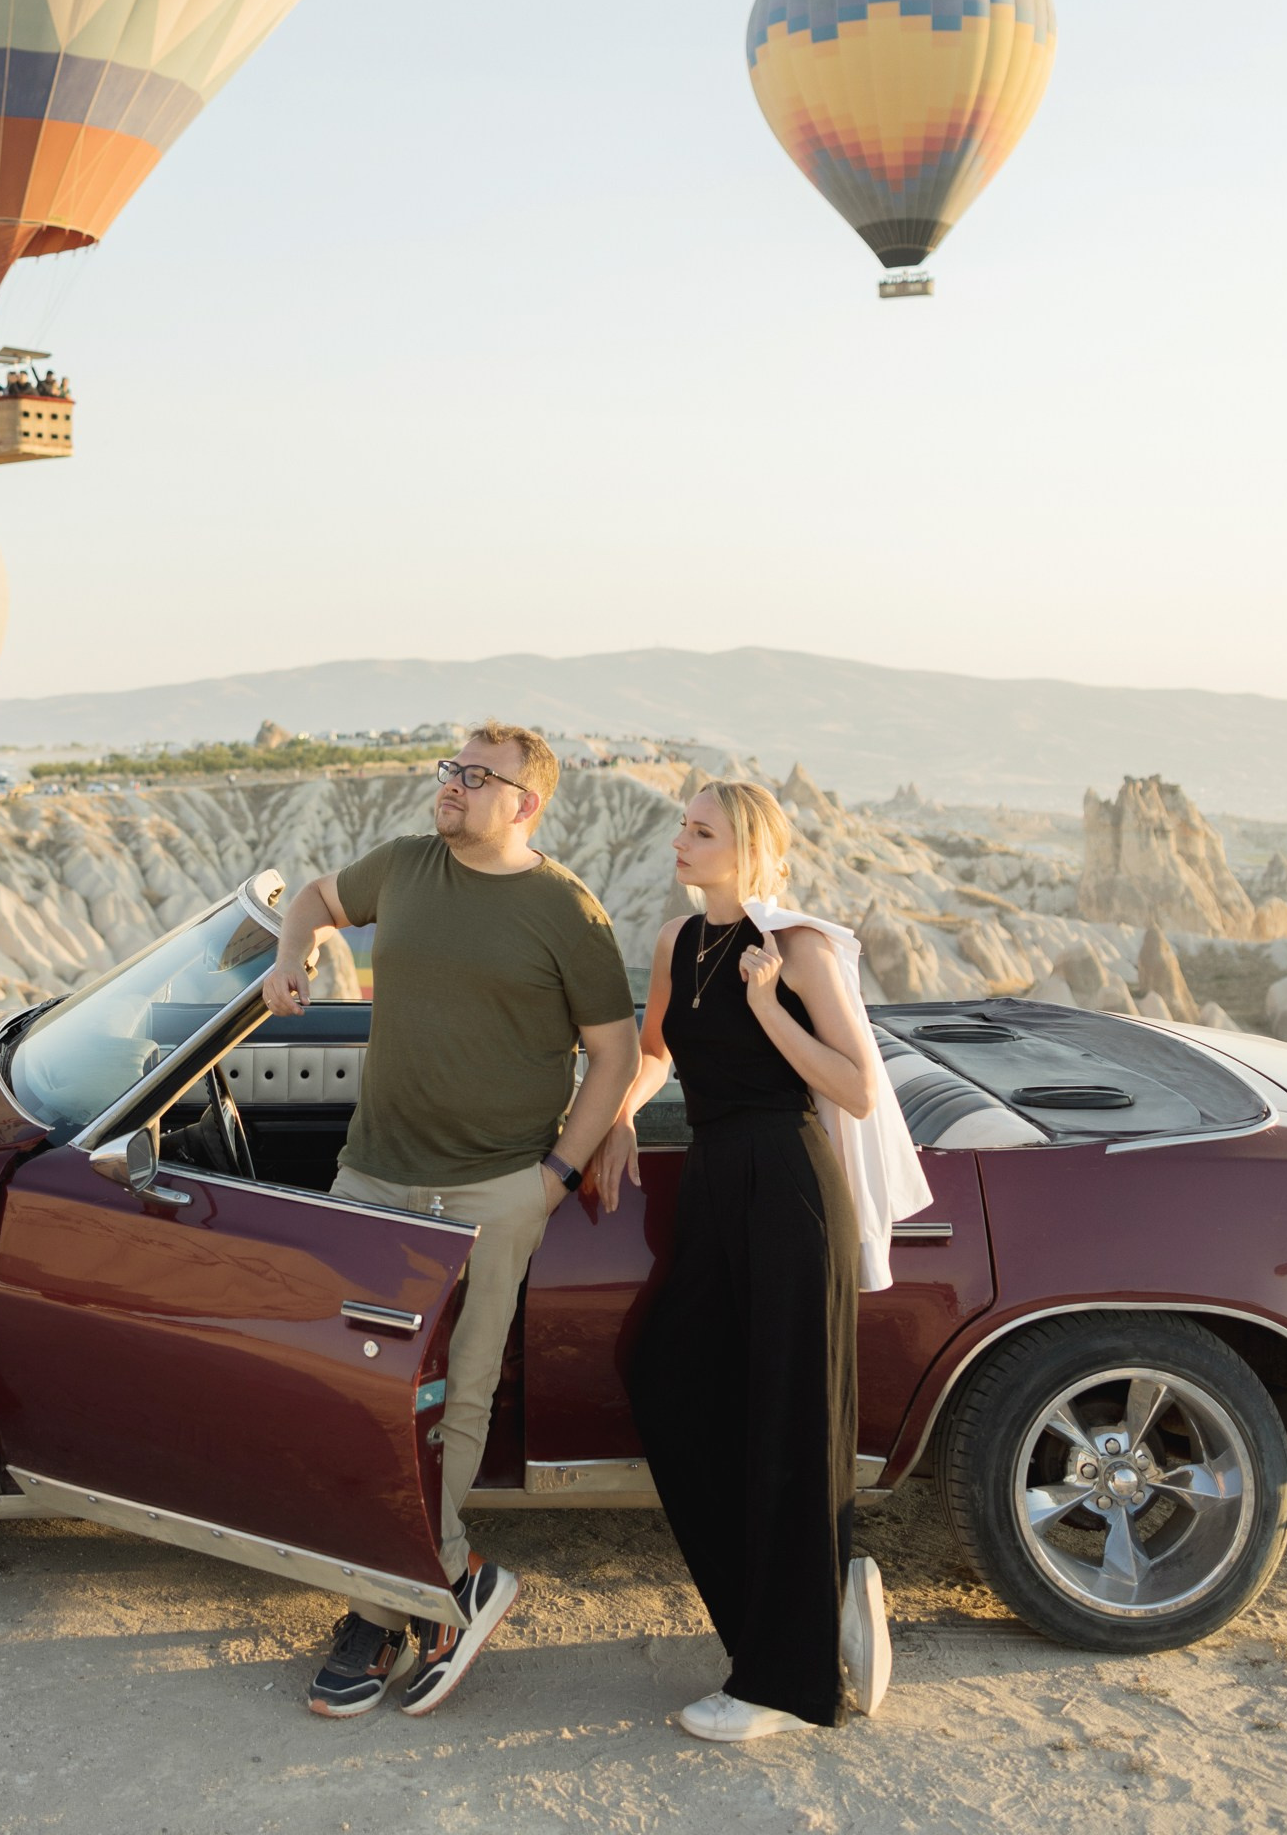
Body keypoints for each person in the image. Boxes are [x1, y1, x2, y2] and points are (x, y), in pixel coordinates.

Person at [264, 724, 637, 1721]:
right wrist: (291, 956)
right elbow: (311, 898)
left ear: (525, 804)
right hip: (373, 1179)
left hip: (492, 1193)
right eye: (449, 770)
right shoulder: (404, 866)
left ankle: (379, 1612)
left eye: (477, 778)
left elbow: (612, 1053)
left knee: (455, 1400)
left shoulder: (567, 912)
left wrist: (552, 1175)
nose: (453, 787)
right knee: (357, 1400)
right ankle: (431, 1590)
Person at [596, 779, 894, 1743]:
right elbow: (654, 1050)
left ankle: (785, 1685)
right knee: (667, 1377)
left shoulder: (796, 948)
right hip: (717, 1184)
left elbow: (854, 1088)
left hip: (788, 1182)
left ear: (748, 845)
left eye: (700, 830)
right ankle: (807, 1601)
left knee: (787, 1418)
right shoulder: (675, 943)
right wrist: (620, 1114)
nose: (678, 841)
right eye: (680, 826)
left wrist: (769, 1009)